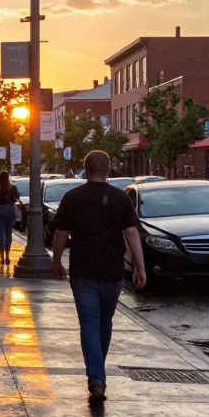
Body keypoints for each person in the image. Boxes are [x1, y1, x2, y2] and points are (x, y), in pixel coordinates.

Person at [52, 149, 146, 403]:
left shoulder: (72, 198)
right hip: (113, 271)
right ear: (108, 170)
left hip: (83, 271)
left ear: (85, 169)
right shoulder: (120, 198)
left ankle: (97, 379)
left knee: (90, 324)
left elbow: (60, 233)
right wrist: (140, 266)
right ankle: (97, 375)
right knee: (104, 323)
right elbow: (132, 233)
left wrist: (57, 261)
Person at [0, 169, 19, 266]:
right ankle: (7, 255)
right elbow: (17, 198)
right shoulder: (12, 187)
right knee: (9, 233)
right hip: (10, 211)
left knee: (1, 234)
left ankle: (2, 256)